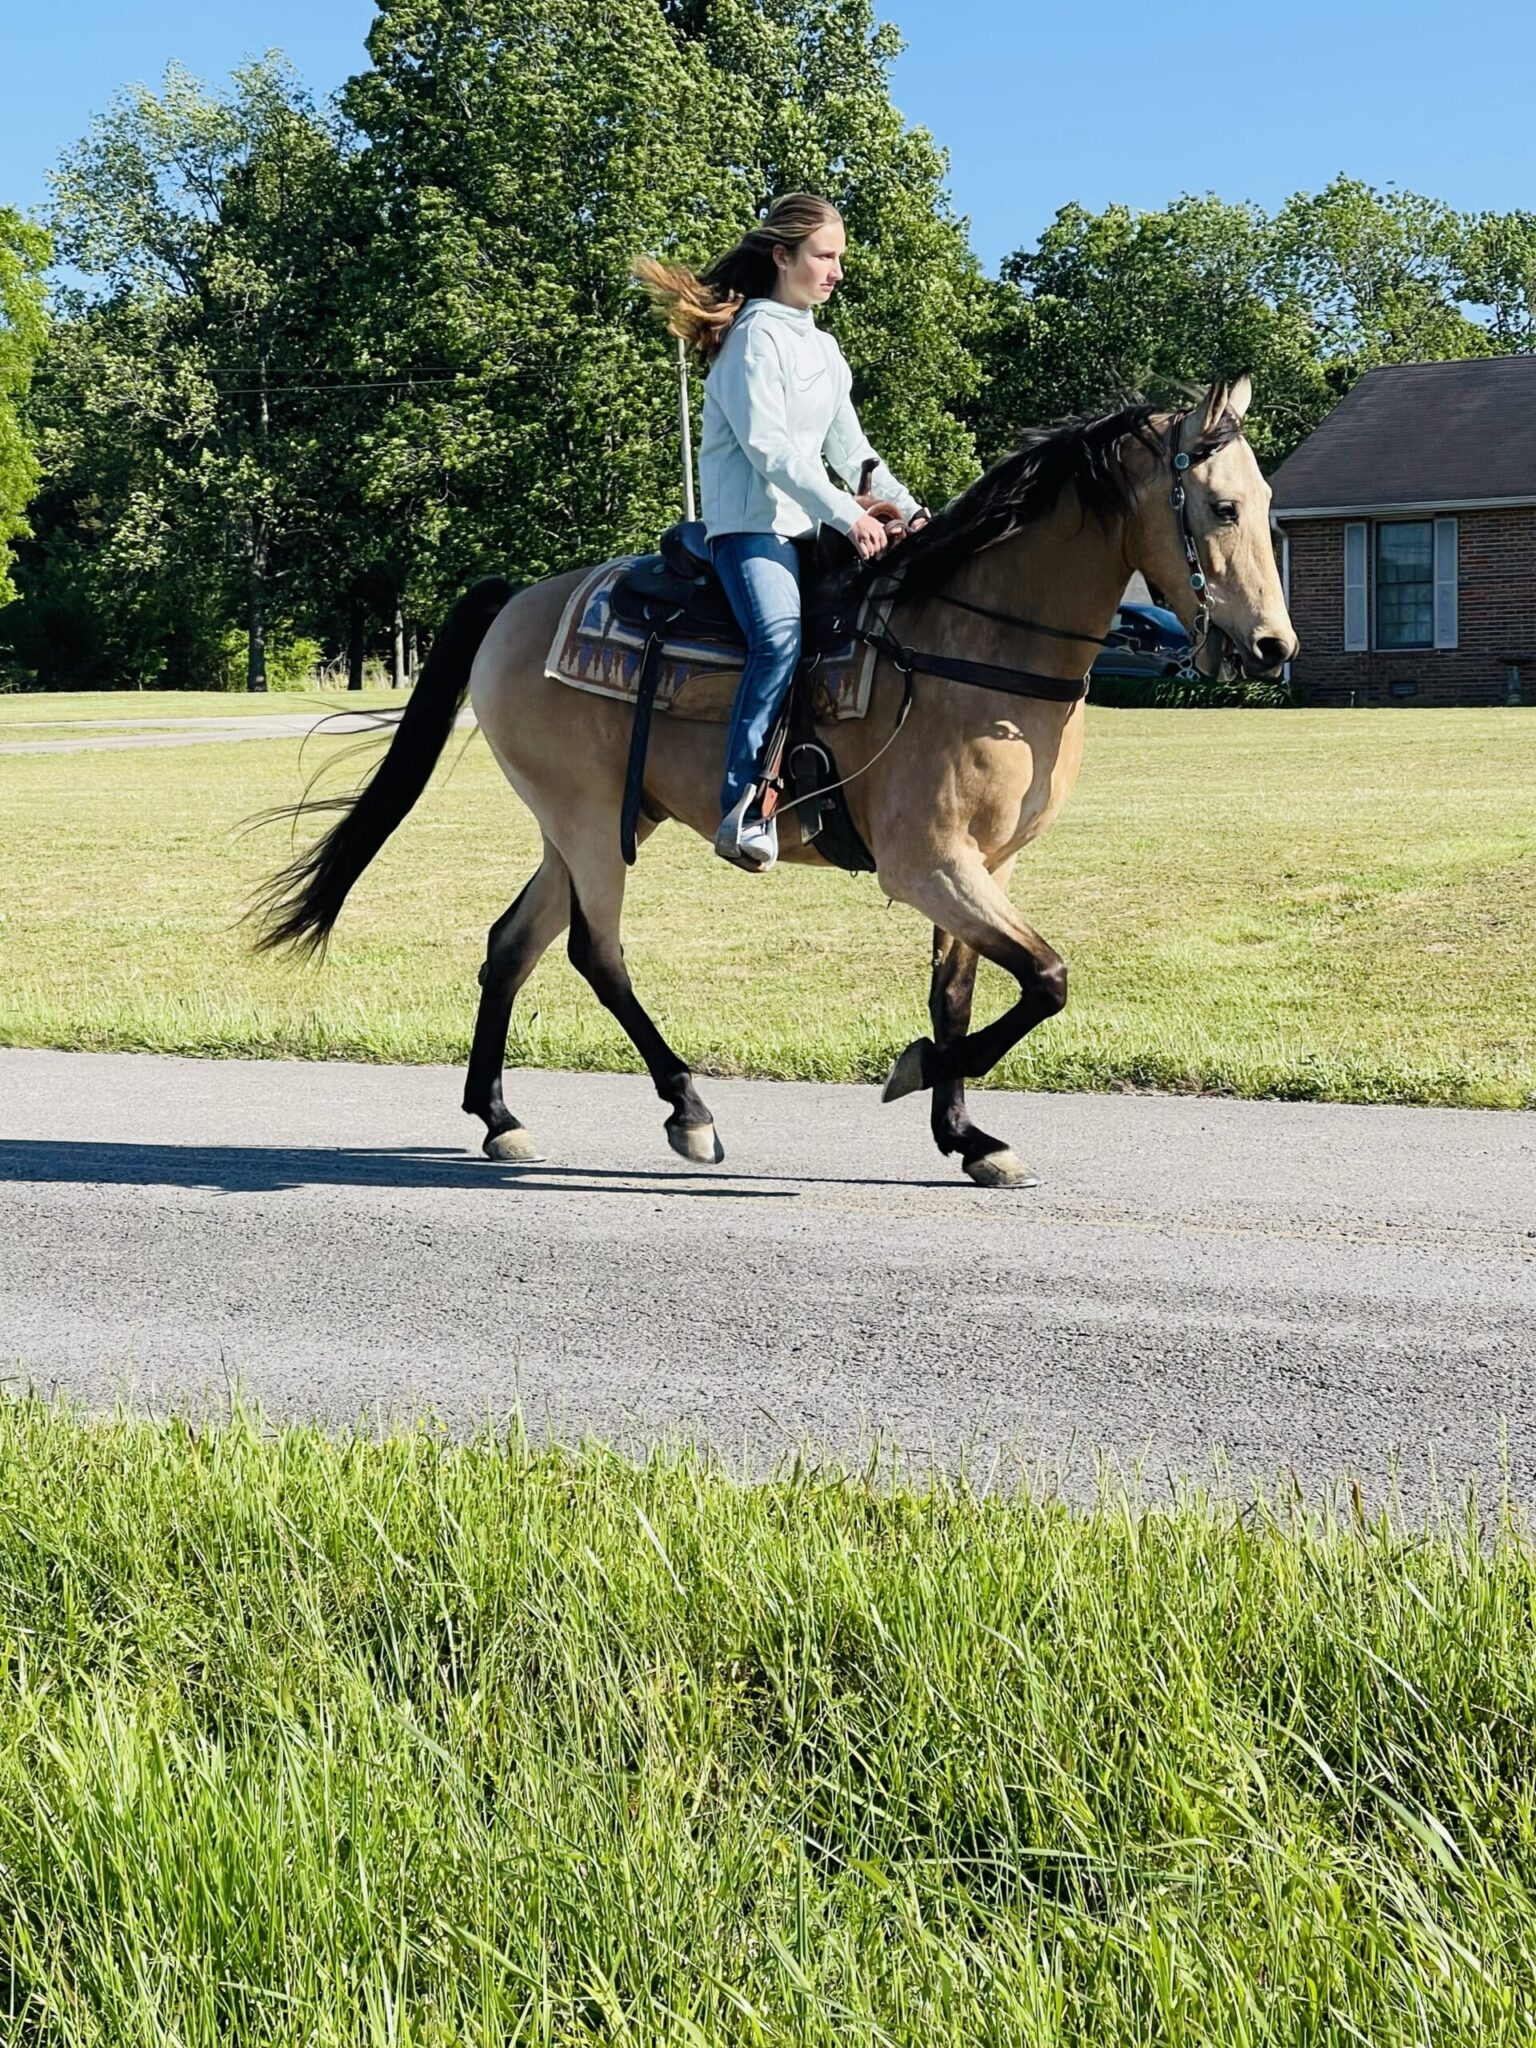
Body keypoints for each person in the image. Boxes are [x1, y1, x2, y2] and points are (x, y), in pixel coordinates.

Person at [634, 195, 926, 872]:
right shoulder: (752, 340)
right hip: (749, 532)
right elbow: (772, 452)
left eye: (840, 258)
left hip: (808, 529)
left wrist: (911, 512)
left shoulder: (822, 346)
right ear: (782, 257)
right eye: (824, 257)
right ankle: (744, 806)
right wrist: (850, 515)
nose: (836, 272)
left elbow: (853, 450)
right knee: (779, 639)